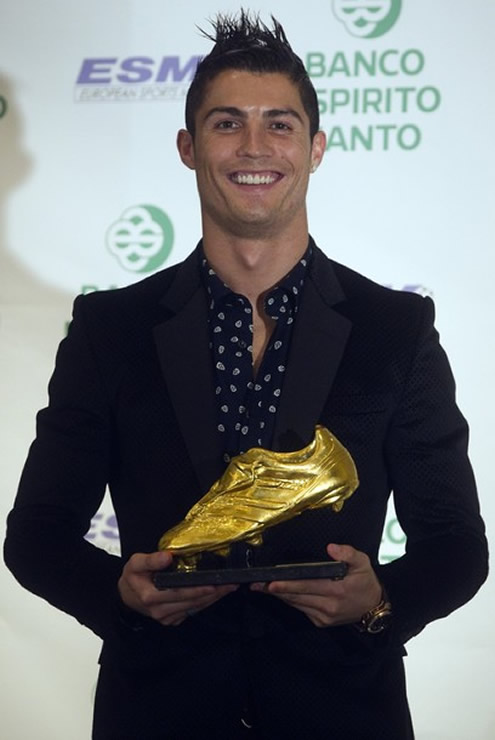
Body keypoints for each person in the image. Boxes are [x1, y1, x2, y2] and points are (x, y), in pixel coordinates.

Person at [4, 12, 488, 740]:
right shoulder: (112, 329)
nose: (254, 147)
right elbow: (36, 535)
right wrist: (118, 599)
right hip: (158, 713)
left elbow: (455, 544)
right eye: (227, 123)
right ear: (188, 147)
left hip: (345, 714)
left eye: (280, 125)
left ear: (316, 147)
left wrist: (381, 597)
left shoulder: (395, 329)